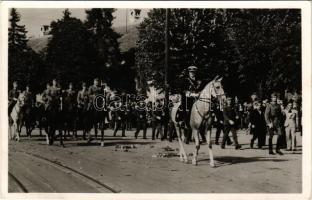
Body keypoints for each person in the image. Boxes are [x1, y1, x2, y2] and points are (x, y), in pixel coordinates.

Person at [179, 65, 202, 143]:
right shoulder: (185, 80)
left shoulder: (198, 81)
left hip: (195, 99)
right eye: (191, 72)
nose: (193, 74)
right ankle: (183, 122)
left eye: (194, 72)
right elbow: (182, 90)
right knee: (186, 112)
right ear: (189, 72)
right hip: (187, 99)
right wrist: (191, 94)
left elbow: (199, 90)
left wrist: (199, 93)